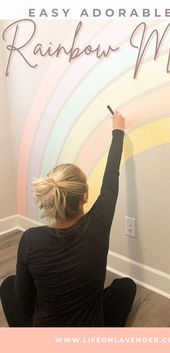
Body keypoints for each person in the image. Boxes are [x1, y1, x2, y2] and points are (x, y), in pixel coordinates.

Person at [0, 111, 136, 327]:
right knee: (126, 286)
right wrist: (117, 131)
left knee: (8, 286)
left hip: (46, 335)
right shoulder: (98, 225)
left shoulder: (30, 240)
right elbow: (111, 179)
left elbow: (26, 304)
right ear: (85, 196)